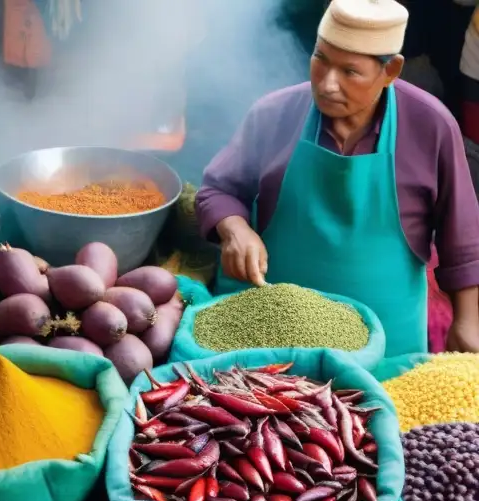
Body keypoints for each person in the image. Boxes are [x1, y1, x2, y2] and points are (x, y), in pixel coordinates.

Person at [196, 0, 479, 356]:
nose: (328, 84)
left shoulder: (430, 125)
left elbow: (462, 237)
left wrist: (468, 322)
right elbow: (217, 191)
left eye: (350, 71)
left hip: (390, 347)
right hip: (270, 345)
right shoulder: (274, 114)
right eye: (320, 60)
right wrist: (234, 229)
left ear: (390, 71)